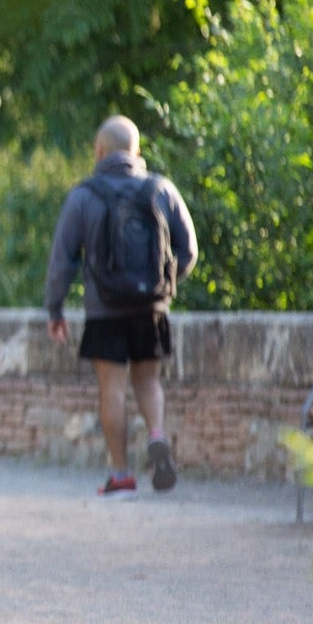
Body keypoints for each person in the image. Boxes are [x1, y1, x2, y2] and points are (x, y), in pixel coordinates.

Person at [44, 115, 198, 497]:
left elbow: (63, 259)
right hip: (151, 307)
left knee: (111, 391)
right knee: (148, 381)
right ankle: (157, 435)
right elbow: (189, 250)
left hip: (105, 309)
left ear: (99, 151)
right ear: (137, 151)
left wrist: (55, 309)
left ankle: (121, 475)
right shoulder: (161, 189)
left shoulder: (84, 196)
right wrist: (164, 283)